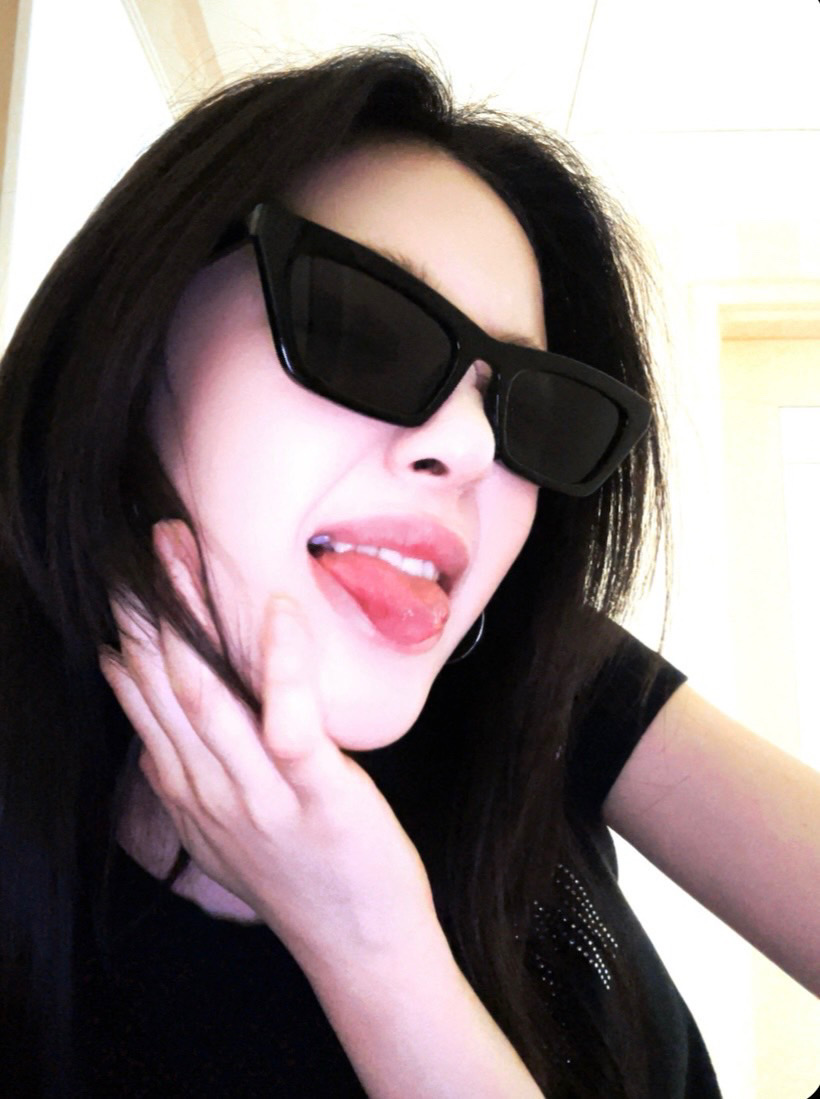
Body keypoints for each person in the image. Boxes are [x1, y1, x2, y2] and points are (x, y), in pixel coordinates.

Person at [0, 47, 817, 1099]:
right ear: (132, 333)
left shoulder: (540, 669)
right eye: (363, 329)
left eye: (530, 411)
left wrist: (371, 948)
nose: (473, 447)